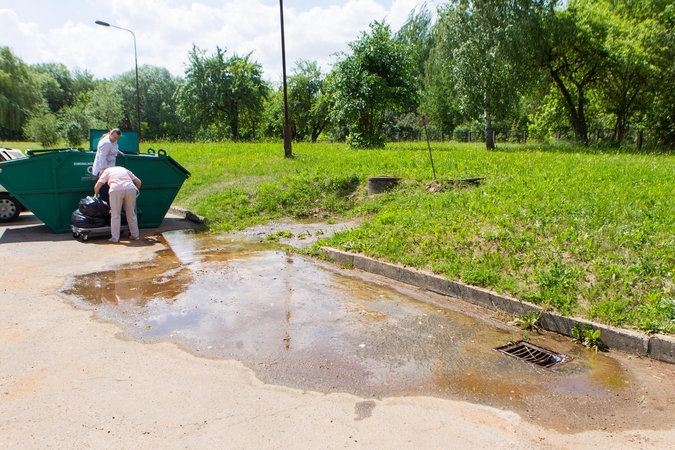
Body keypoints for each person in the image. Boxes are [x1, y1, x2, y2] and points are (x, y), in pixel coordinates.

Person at [94, 166, 142, 243]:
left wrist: (96, 195)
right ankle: (135, 235)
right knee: (131, 214)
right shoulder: (124, 169)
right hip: (131, 189)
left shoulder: (106, 171)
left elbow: (98, 185)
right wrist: (136, 191)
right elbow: (138, 182)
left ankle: (115, 238)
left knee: (115, 215)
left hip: (115, 190)